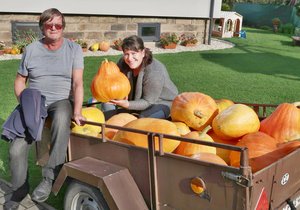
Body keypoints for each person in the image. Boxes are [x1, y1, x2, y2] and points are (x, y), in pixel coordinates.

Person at [3, 8, 85, 208]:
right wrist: (25, 102)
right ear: (42, 27)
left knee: (63, 114)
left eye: (58, 25)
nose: (54, 28)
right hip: (35, 101)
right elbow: (20, 81)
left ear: (63, 27)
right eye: (49, 25)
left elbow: (77, 84)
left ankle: (49, 177)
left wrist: (77, 111)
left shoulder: (74, 50)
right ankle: (20, 189)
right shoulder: (31, 50)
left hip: (60, 101)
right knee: (16, 149)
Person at [102, 35, 178, 119]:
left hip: (160, 103)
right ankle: (109, 126)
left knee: (142, 120)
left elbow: (148, 101)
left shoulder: (154, 70)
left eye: (133, 53)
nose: (130, 58)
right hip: (134, 102)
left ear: (143, 53)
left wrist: (127, 104)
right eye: (126, 54)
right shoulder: (122, 63)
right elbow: (113, 82)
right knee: (107, 103)